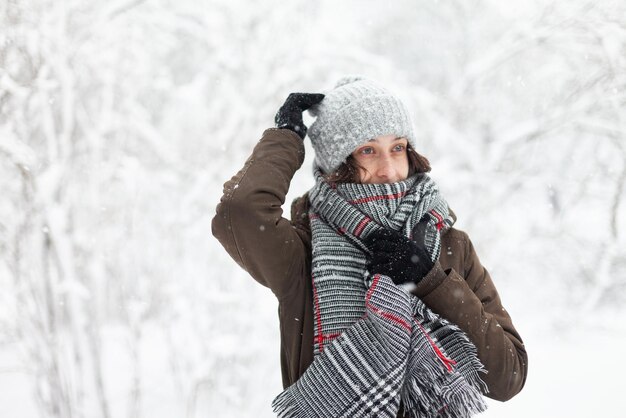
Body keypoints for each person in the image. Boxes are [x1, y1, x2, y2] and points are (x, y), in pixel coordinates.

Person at [212, 76, 527, 418]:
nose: (388, 168)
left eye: (397, 148)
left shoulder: (451, 244)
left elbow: (508, 376)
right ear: (338, 162)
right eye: (368, 150)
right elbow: (239, 213)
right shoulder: (305, 250)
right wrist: (286, 138)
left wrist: (430, 281)